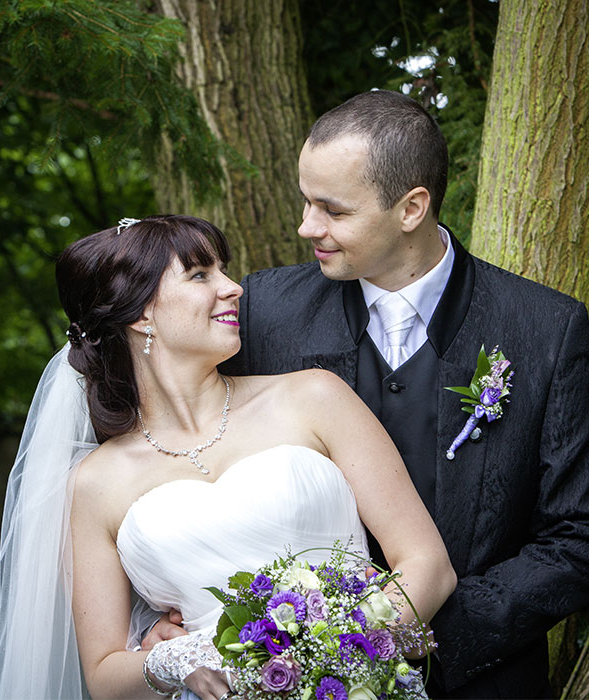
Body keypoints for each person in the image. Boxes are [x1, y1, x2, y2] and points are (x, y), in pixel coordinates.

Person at [0, 214, 456, 700]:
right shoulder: (95, 484)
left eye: (223, 270)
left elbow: (428, 565)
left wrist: (337, 656)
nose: (234, 289)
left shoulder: (315, 397)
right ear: (141, 314)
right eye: (201, 274)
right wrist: (171, 659)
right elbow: (103, 677)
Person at [217, 90, 589, 698]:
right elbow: (190, 450)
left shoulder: (547, 330)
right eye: (305, 201)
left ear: (411, 207)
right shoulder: (265, 313)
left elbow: (579, 534)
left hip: (483, 682)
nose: (306, 226)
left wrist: (432, 633)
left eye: (331, 210)